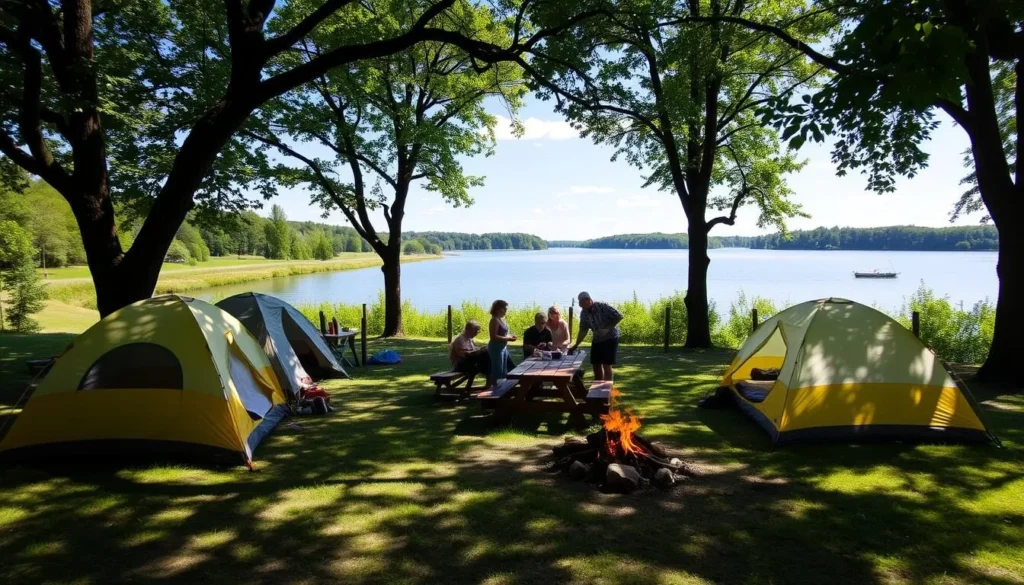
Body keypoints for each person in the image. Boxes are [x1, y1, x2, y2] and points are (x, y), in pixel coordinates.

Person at [570, 291, 622, 381]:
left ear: (588, 299)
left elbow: (618, 316)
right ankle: (597, 386)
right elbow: (583, 330)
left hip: (611, 337)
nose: (581, 306)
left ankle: (606, 389)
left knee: (606, 364)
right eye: (580, 304)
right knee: (596, 363)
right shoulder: (584, 313)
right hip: (597, 339)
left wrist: (606, 329)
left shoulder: (602, 306)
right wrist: (576, 345)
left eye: (582, 303)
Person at [487, 300, 517, 387]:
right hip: (496, 348)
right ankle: (493, 392)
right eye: (504, 308)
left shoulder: (501, 320)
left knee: (504, 371)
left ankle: (502, 389)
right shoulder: (494, 320)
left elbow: (503, 334)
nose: (505, 310)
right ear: (497, 309)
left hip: (503, 348)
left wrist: (510, 336)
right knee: (498, 372)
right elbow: (493, 336)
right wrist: (508, 338)